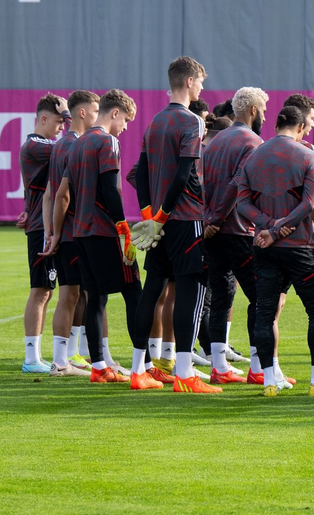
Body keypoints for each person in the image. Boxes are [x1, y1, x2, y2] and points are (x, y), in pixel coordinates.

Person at [129, 56, 221, 393]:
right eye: (200, 82)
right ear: (189, 81)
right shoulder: (193, 122)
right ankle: (185, 374)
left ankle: (138, 372)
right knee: (191, 291)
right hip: (184, 220)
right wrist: (163, 216)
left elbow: (140, 174)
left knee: (152, 289)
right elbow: (184, 174)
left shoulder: (154, 122)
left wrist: (150, 215)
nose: (202, 88)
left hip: (161, 222)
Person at [235, 105, 314, 396]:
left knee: (265, 311)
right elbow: (308, 204)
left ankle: (269, 380)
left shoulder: (253, 156)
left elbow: (242, 203)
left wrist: (268, 227)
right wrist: (280, 227)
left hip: (264, 246)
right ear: (301, 128)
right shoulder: (308, 155)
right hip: (300, 246)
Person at [61, 89, 142, 385]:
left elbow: (68, 191)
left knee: (96, 297)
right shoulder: (108, 141)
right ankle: (141, 368)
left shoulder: (78, 143)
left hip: (80, 231)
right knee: (134, 291)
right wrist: (123, 227)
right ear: (115, 112)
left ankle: (98, 367)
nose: (125, 127)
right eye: (126, 120)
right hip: (103, 229)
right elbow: (109, 188)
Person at [202, 86, 269, 384]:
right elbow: (237, 184)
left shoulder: (215, 141)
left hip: (213, 231)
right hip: (239, 230)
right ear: (253, 110)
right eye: (263, 110)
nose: (265, 116)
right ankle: (257, 368)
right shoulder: (253, 142)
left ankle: (218, 366)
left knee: (221, 297)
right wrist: (217, 217)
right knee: (259, 297)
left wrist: (209, 219)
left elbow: (206, 182)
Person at [44, 89, 100, 376]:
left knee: (77, 295)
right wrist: (58, 232)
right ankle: (61, 362)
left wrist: (52, 232)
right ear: (82, 112)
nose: (97, 116)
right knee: (71, 295)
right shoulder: (75, 145)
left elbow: (51, 194)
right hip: (75, 232)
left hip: (66, 232)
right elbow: (62, 196)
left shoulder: (60, 144)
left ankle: (69, 357)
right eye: (94, 110)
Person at [18, 93, 70, 373]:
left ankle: (38, 357)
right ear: (43, 119)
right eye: (60, 121)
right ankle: (31, 359)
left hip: (42, 223)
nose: (63, 126)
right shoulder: (37, 146)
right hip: (42, 228)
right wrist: (74, 117)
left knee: (47, 292)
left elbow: (33, 187)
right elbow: (70, 147)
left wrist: (26, 208)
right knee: (40, 291)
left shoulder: (39, 146)